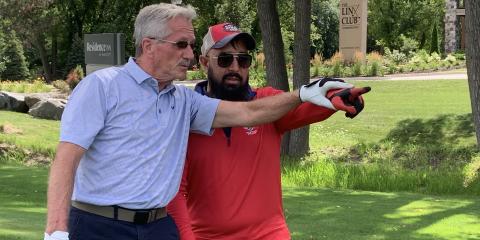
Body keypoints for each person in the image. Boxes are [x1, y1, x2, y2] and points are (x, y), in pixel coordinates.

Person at [43, 4, 356, 240]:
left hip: (157, 227)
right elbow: (66, 159)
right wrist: (56, 229)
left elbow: (251, 112)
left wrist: (305, 94)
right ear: (148, 46)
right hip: (101, 225)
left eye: (192, 46)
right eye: (181, 45)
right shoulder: (103, 86)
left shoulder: (184, 101)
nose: (190, 55)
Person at [166, 23, 370, 239]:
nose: (235, 67)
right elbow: (175, 192)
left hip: (268, 234)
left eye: (243, 59)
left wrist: (339, 96)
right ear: (204, 62)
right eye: (225, 59)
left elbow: (308, 106)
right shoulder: (185, 114)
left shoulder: (267, 103)